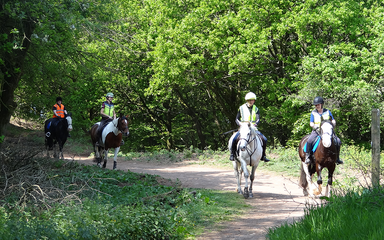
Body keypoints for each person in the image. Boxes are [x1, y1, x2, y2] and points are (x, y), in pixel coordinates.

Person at [229, 92, 270, 162]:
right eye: (250, 100)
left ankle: (263, 155)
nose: (252, 102)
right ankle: (232, 154)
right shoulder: (241, 108)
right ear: (247, 100)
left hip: (253, 128)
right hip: (244, 128)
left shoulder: (256, 109)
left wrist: (254, 125)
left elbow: (258, 119)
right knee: (234, 138)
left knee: (264, 139)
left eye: (253, 100)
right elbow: (237, 119)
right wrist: (241, 124)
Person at [305, 96, 343, 165]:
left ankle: (337, 158)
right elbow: (311, 123)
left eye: (318, 105)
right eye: (316, 105)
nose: (317, 106)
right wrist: (314, 126)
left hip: (327, 131)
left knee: (338, 141)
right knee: (309, 140)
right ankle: (308, 156)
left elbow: (333, 120)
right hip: (317, 131)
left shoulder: (327, 112)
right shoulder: (313, 113)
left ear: (322, 104)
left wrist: (333, 123)